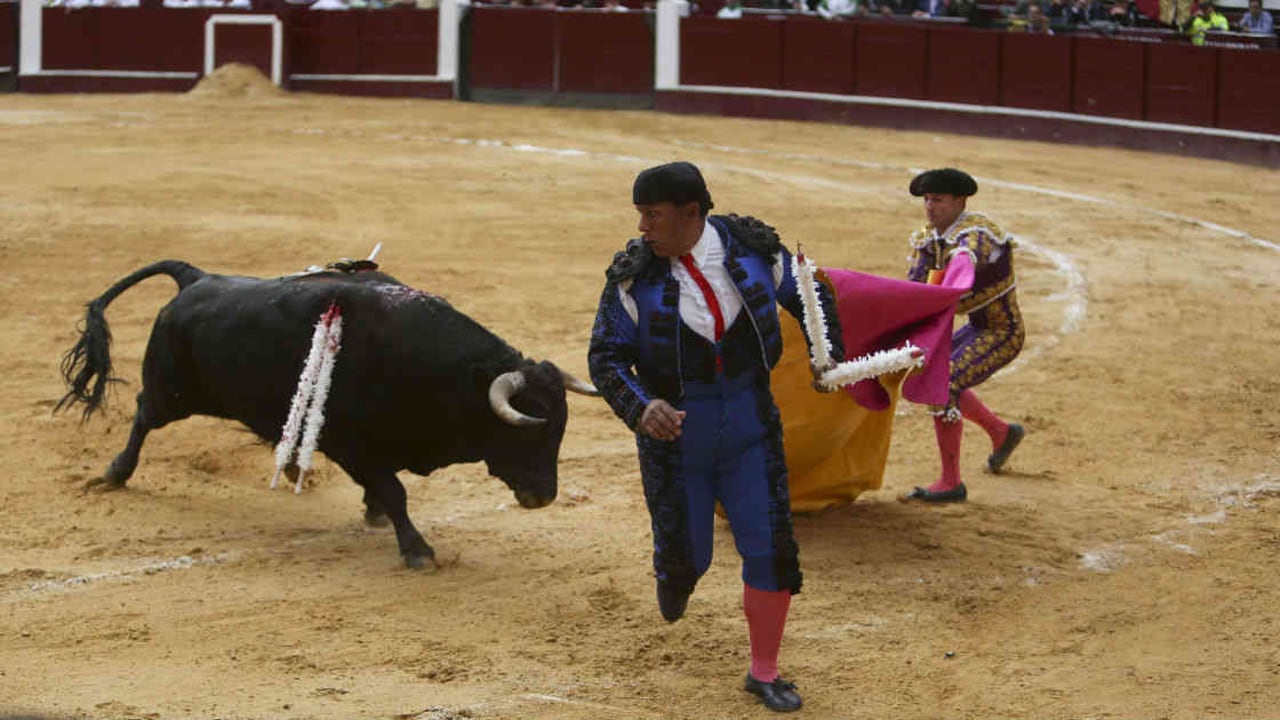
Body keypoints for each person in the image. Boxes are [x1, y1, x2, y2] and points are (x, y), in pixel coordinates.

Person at [588, 162, 844, 713]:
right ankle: (676, 573)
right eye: (641, 215)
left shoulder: (757, 250)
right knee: (689, 557)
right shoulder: (632, 280)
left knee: (771, 548)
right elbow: (605, 359)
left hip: (752, 425)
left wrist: (830, 358)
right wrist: (640, 406)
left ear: (691, 213)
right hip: (677, 439)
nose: (642, 227)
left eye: (652, 215)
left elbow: (811, 295)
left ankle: (764, 671)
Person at [900, 168, 1025, 503]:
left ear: (960, 201)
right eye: (926, 200)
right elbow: (913, 289)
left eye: (938, 200)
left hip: (1003, 331)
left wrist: (959, 267)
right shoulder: (929, 240)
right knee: (931, 372)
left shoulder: (979, 234)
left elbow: (968, 255)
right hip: (976, 327)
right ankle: (1002, 432)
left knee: (946, 384)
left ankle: (951, 481)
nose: (930, 206)